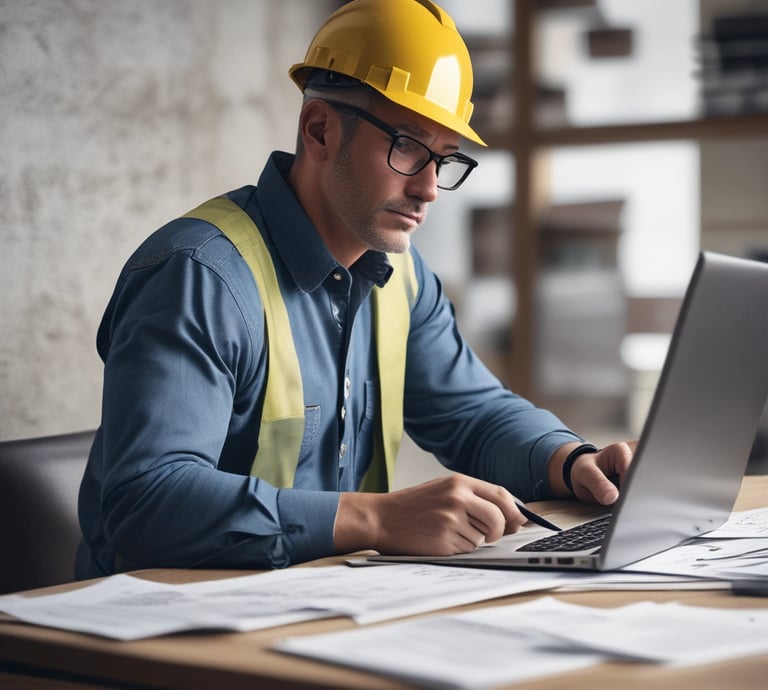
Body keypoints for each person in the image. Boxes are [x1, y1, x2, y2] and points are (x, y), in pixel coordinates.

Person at [76, 0, 633, 579]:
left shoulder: (401, 277)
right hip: (164, 632)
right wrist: (377, 520)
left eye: (443, 159)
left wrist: (574, 463)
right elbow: (146, 501)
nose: (429, 189)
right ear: (319, 129)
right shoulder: (201, 276)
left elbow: (473, 413)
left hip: (324, 608)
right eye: (408, 146)